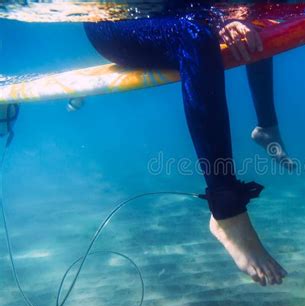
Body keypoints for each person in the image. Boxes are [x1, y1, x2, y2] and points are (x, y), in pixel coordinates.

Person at [84, 0, 288, 286]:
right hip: (112, 22)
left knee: (257, 14)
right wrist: (219, 21)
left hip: (181, 12)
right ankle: (226, 212)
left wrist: (234, 15)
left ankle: (267, 126)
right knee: (195, 37)